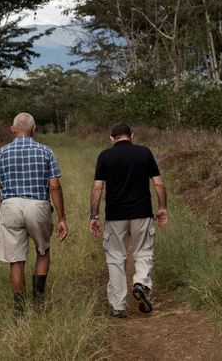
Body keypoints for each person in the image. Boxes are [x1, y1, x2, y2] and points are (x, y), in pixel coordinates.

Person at [0, 112, 67, 310]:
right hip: (38, 205)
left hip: (10, 206)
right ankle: (39, 302)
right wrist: (62, 217)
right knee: (43, 250)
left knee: (16, 260)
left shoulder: (1, 153)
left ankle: (20, 308)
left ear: (13, 130)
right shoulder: (46, 151)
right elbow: (55, 186)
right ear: (34, 129)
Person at [89, 122, 168, 318]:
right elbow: (158, 183)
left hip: (115, 215)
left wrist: (94, 215)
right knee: (143, 251)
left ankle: (118, 306)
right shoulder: (144, 153)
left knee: (116, 258)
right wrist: (162, 208)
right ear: (132, 135)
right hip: (141, 212)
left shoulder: (105, 156)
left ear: (111, 138)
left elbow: (98, 188)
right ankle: (140, 282)